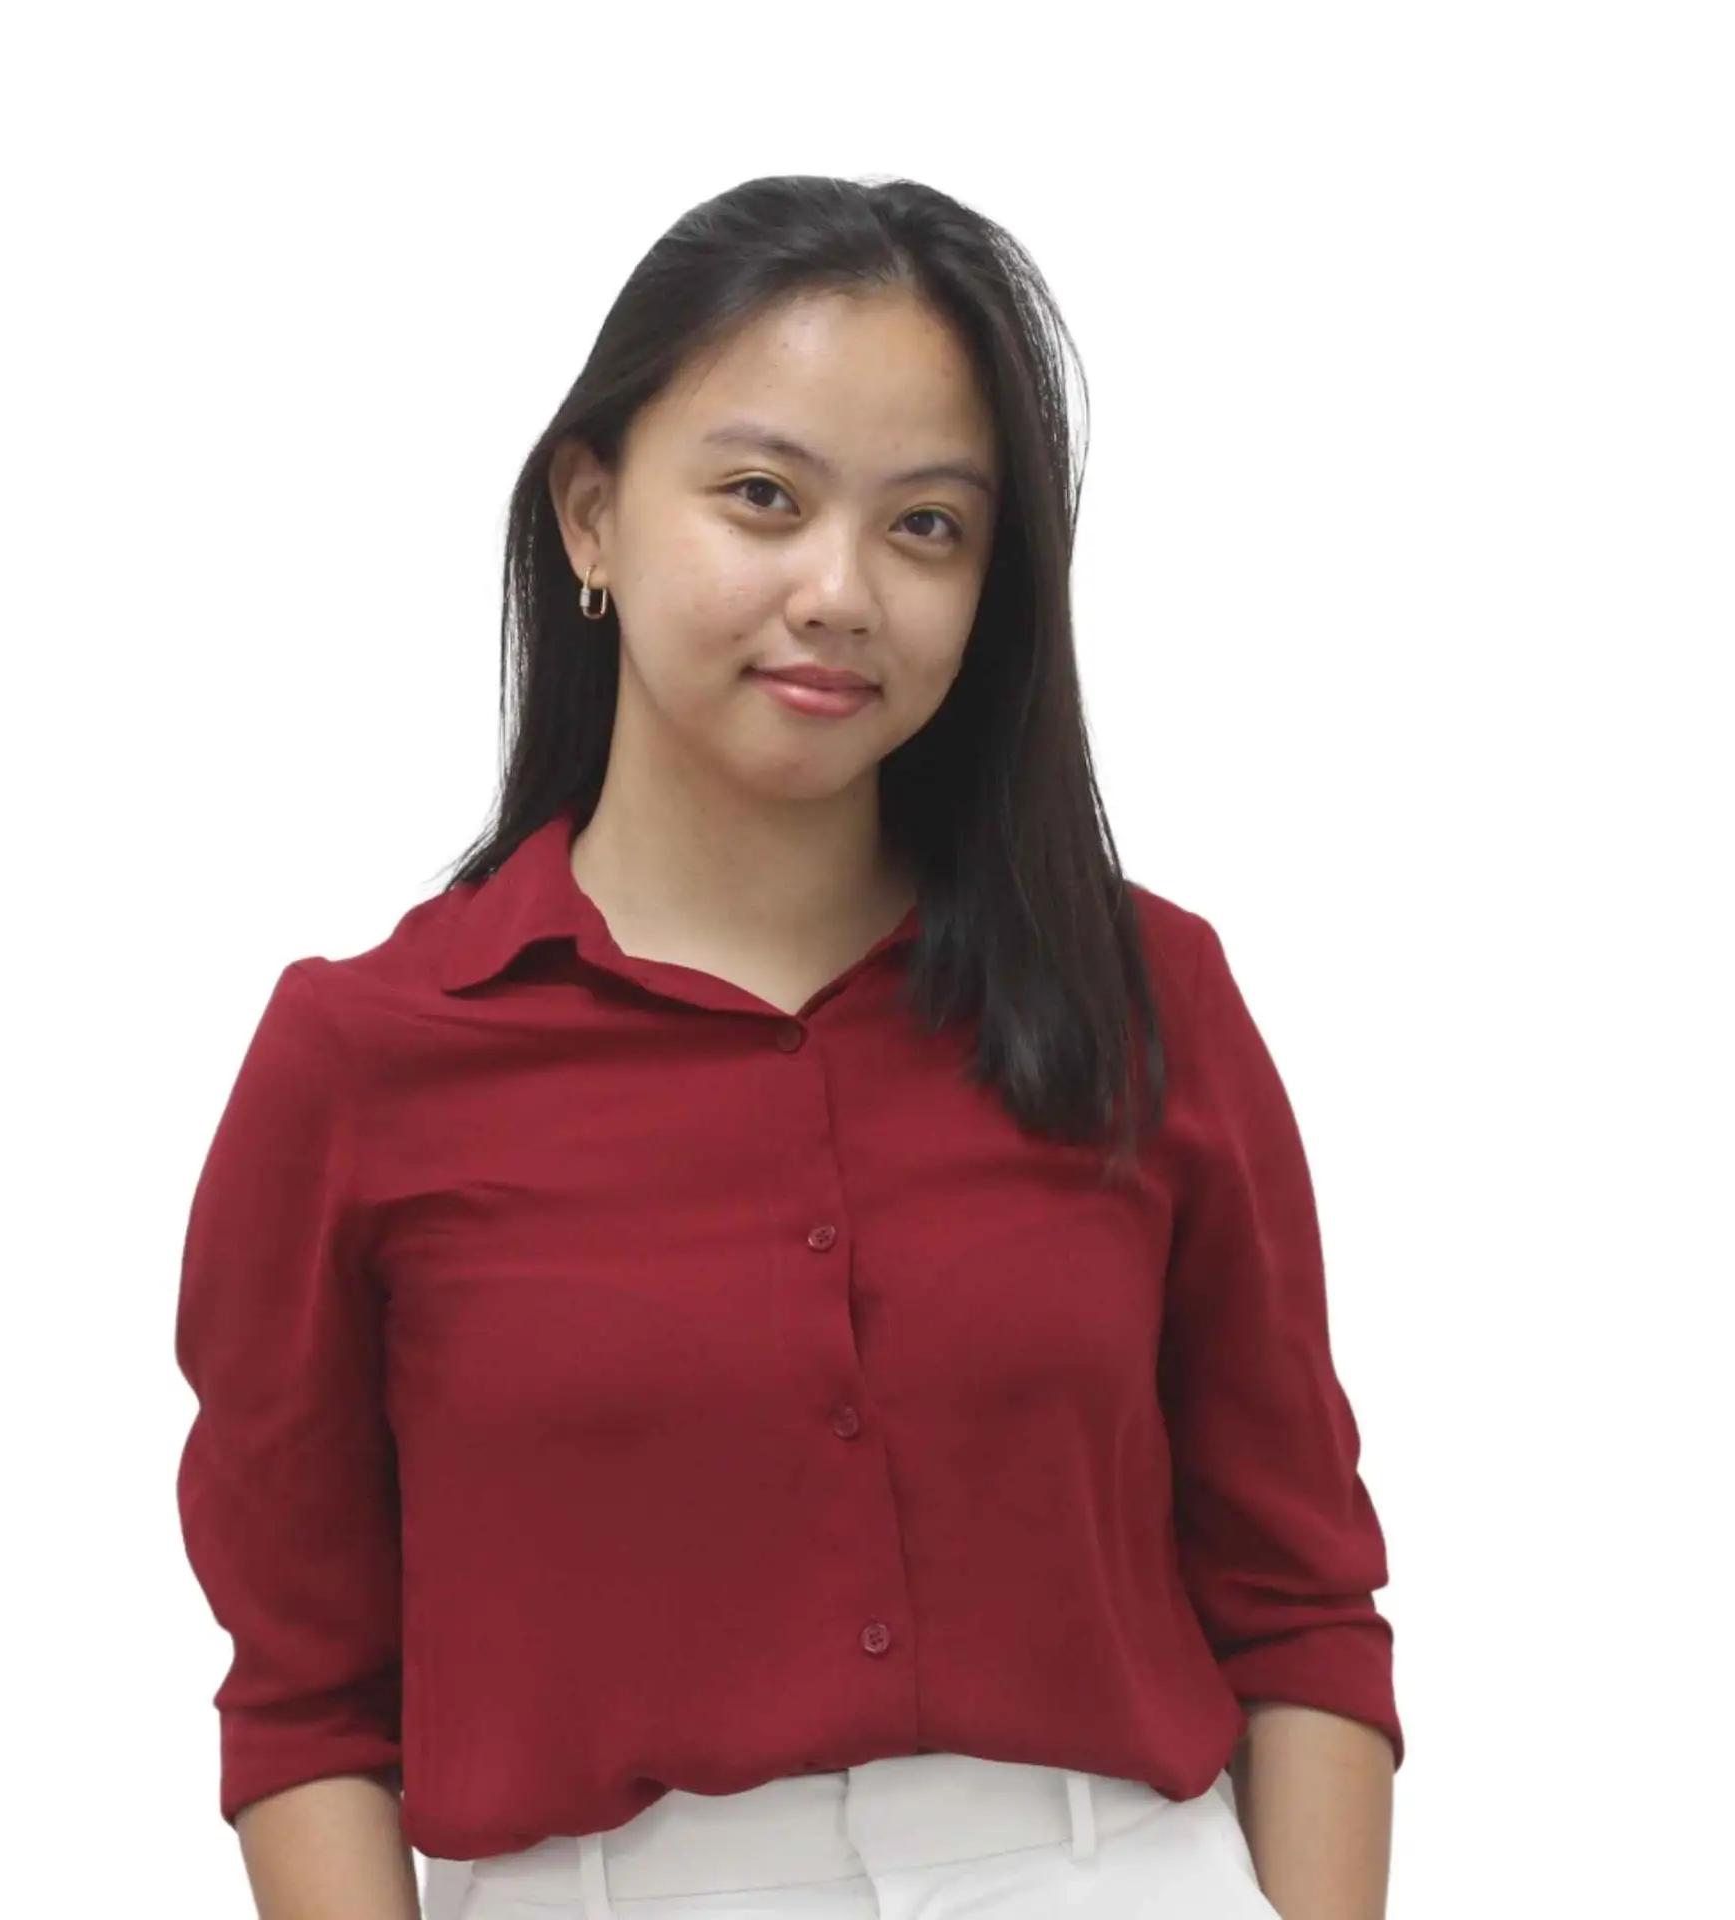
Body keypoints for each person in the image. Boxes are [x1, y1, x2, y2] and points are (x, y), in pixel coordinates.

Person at [173, 172, 1403, 1920]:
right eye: (764, 498)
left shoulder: (1148, 998)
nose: (840, 591)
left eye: (927, 529)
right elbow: (304, 1707)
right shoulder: (365, 1059)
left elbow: (1301, 1600)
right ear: (591, 516)